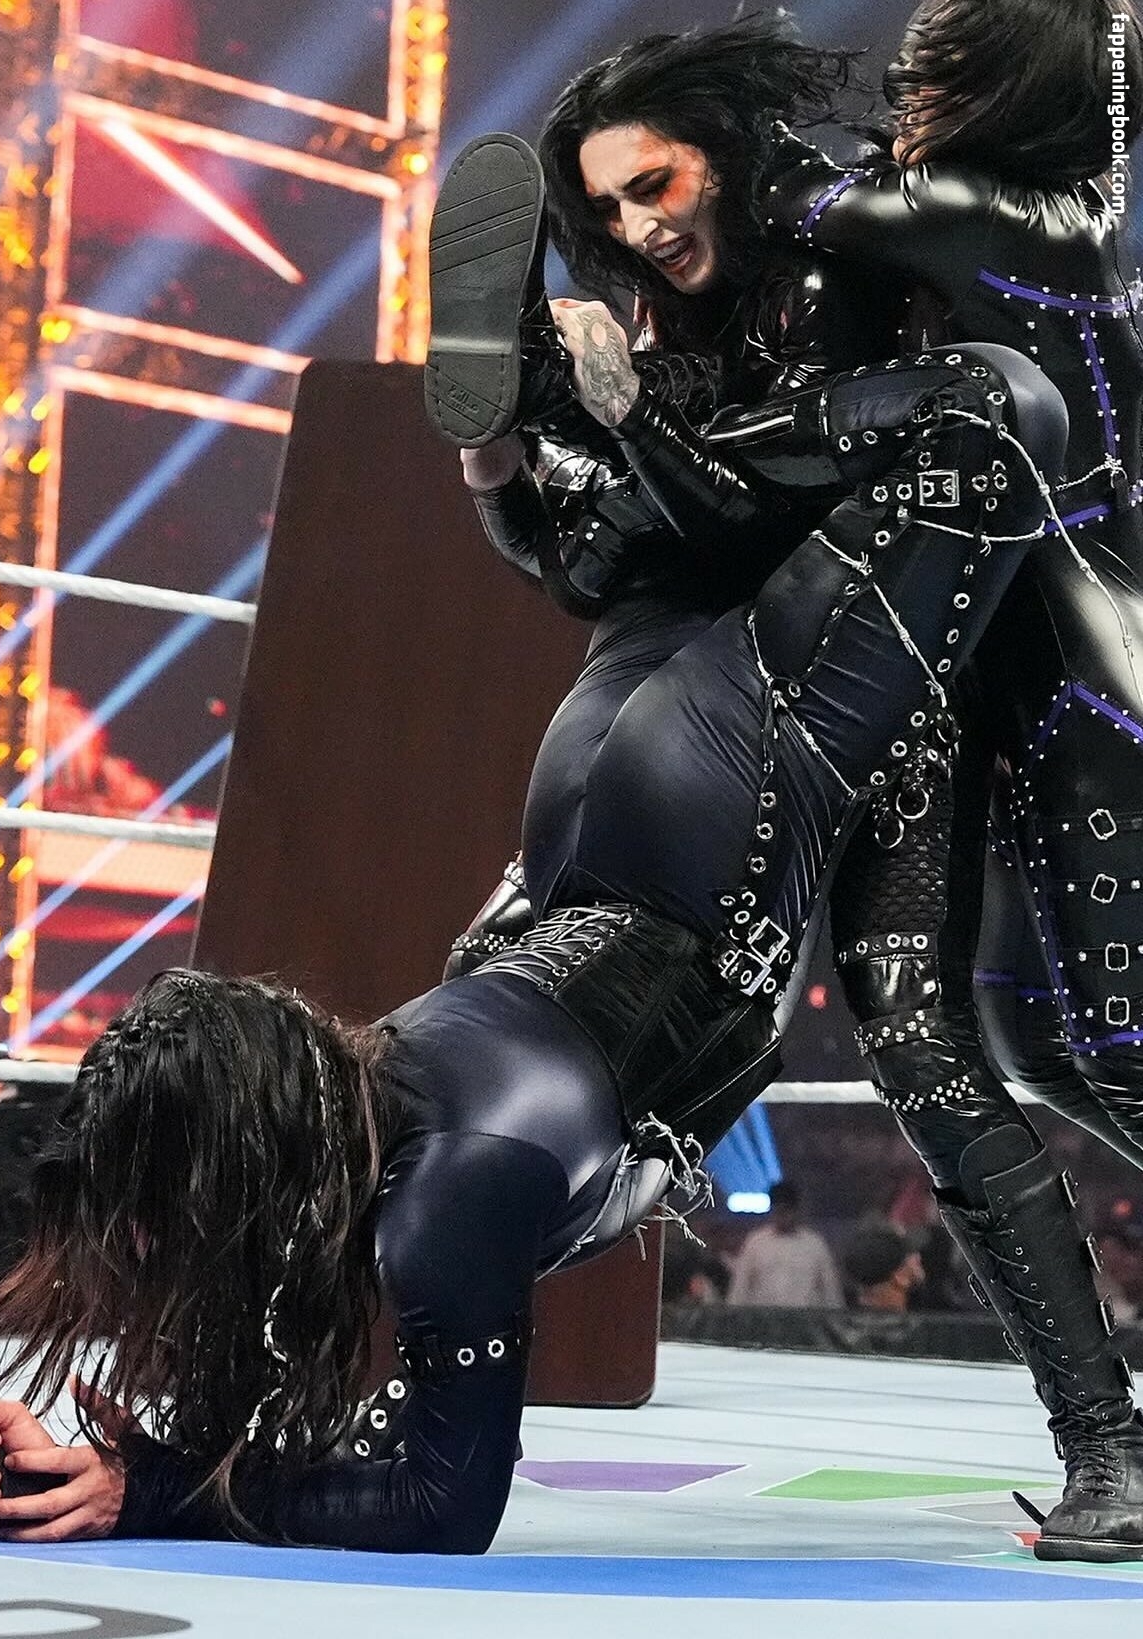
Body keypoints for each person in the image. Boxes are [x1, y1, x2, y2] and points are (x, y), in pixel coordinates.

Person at [0, 119, 1066, 1554]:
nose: (151, 1252)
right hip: (573, 850)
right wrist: (111, 1456)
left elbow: (443, 1501)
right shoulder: (341, 1113)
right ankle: (522, 434)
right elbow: (242, 1364)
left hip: (690, 843)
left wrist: (155, 1488)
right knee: (671, 553)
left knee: (995, 423)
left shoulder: (446, 1199)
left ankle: (552, 411)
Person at [449, 8, 1143, 1560]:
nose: (639, 226)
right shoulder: (671, 324)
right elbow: (610, 565)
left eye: (656, 183)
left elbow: (764, 498)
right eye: (608, 208)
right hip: (781, 702)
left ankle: (1108, 1447)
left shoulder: (831, 267)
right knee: (877, 1031)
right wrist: (511, 455)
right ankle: (1108, 1447)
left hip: (929, 679)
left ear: (718, 154)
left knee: (992, 1044)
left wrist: (625, 420)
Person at [727, 1181, 842, 1308]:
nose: (781, 1216)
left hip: (805, 1317)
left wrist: (836, 1314)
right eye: (777, 1211)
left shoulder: (815, 1244)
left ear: (796, 1211)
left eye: (785, 1211)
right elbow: (740, 1286)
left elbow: (830, 1289)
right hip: (765, 1317)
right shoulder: (756, 1242)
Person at [843, 1222, 925, 1313]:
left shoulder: (844, 1320)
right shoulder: (915, 1321)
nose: (918, 1256)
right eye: (910, 1252)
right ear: (900, 1277)